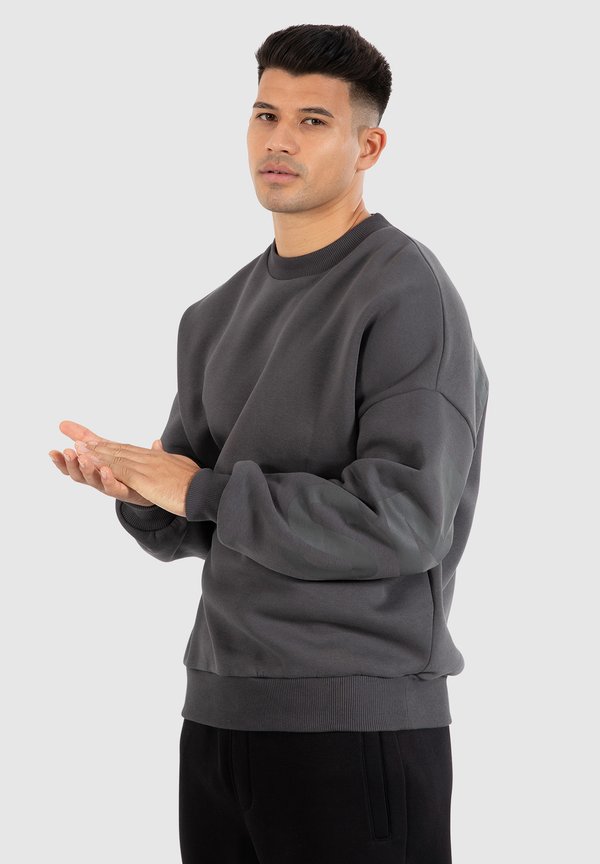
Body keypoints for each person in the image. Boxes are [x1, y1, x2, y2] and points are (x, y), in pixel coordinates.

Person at [49, 23, 489, 864]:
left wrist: (197, 490)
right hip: (217, 719)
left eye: (312, 121)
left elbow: (404, 521)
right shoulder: (212, 314)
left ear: (369, 146)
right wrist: (141, 495)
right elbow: (199, 516)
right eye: (265, 115)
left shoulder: (406, 293)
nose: (278, 140)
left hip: (355, 727)